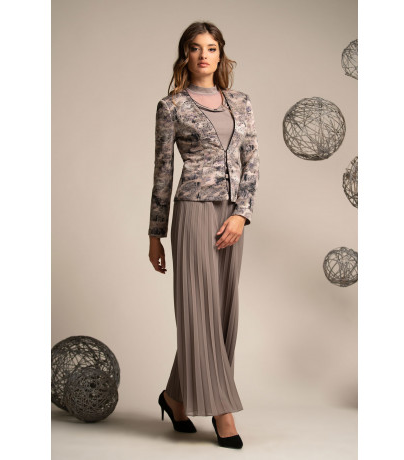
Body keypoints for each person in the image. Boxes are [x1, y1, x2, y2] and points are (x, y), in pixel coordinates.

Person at [148, 21, 259, 449]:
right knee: (200, 310)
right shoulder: (171, 106)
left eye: (211, 48)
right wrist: (155, 233)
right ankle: (221, 411)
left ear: (220, 54)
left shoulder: (241, 102)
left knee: (224, 309)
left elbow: (252, 162)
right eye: (195, 48)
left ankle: (175, 398)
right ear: (185, 55)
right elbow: (163, 171)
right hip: (193, 211)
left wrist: (242, 214)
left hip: (232, 216)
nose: (203, 55)